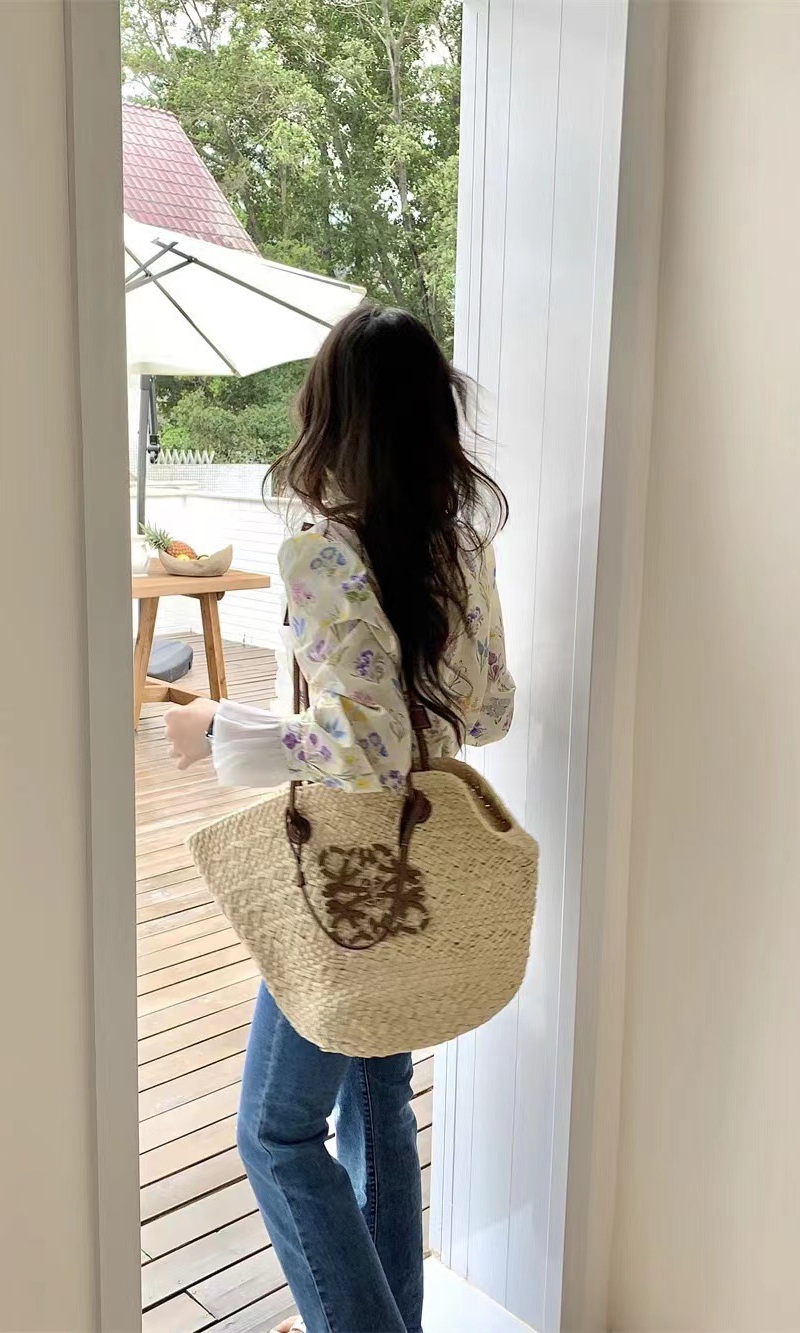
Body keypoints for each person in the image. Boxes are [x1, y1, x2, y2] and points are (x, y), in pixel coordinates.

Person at [163, 304, 516, 1333]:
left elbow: (365, 746)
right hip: (421, 861)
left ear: (333, 416)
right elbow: (490, 712)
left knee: (275, 1131)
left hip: (346, 873)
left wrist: (222, 727)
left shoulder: (319, 552)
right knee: (374, 1097)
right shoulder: (462, 545)